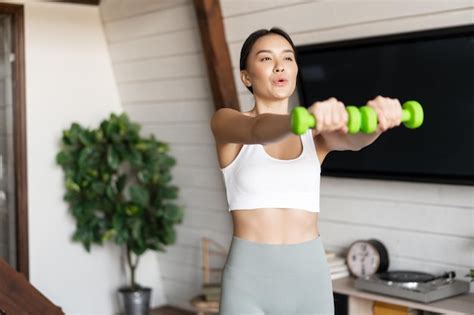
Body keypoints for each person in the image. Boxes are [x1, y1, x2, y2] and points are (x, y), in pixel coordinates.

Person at [210, 27, 403, 315]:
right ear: (246, 76)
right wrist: (303, 118)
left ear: (296, 69)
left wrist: (378, 125)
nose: (279, 66)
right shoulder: (227, 122)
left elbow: (352, 140)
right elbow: (257, 129)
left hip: (309, 278)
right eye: (266, 59)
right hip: (248, 280)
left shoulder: (313, 136)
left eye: (288, 58)